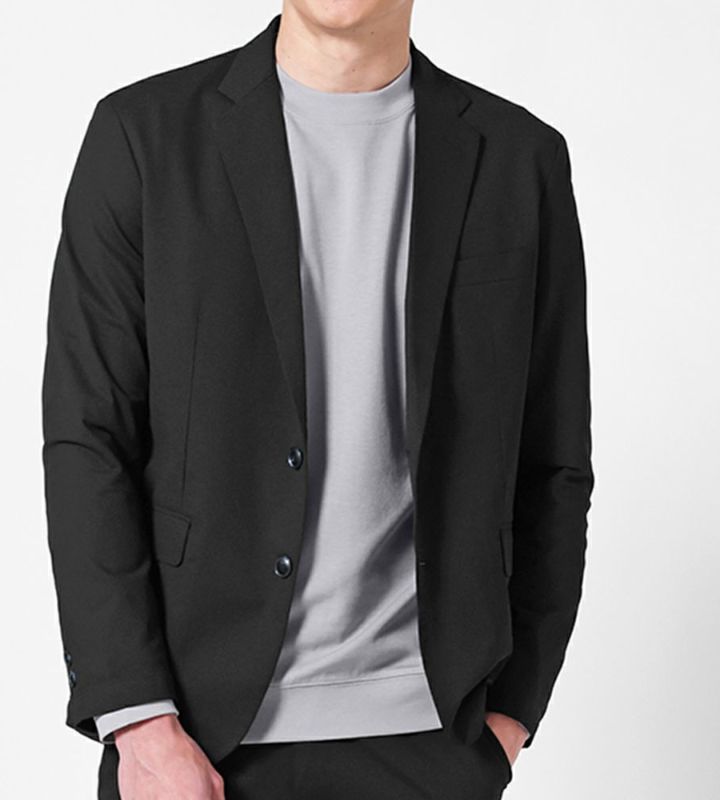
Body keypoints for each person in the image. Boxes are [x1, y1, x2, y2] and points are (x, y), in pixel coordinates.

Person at [42, 2, 594, 798]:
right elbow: (88, 440)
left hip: (433, 739)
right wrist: (139, 722)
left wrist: (510, 715)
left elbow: (554, 458)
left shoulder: (518, 158)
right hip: (197, 744)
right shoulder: (145, 138)